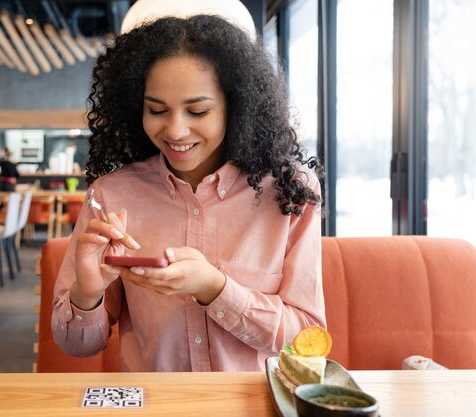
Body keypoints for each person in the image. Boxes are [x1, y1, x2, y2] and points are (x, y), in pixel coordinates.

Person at [52, 14, 326, 372]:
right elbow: (77, 347)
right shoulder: (111, 195)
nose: (176, 130)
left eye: (198, 110)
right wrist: (87, 293)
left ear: (236, 106)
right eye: (157, 110)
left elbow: (308, 340)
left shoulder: (289, 192)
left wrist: (215, 288)